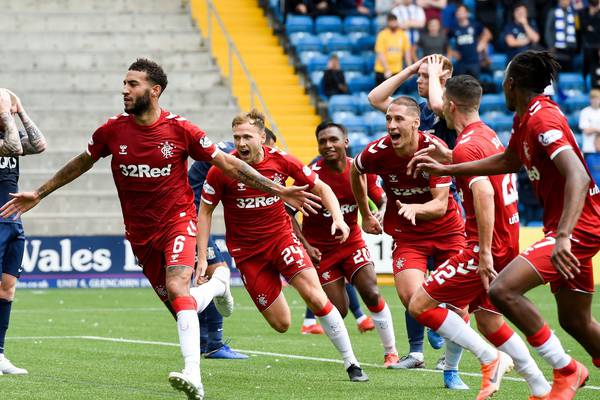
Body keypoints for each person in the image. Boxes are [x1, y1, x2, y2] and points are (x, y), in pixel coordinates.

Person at [0, 59, 317, 400]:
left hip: (178, 222)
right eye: (124, 83)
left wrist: (278, 189)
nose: (124, 89)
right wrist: (40, 193)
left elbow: (228, 163)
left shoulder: (182, 130)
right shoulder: (112, 130)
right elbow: (82, 161)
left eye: (132, 84)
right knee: (184, 305)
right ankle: (221, 283)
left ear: (154, 91)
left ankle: (193, 375)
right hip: (141, 235)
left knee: (177, 285)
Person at [412, 50, 600, 399]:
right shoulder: (524, 119)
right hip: (566, 227)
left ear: (511, 84)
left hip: (578, 227)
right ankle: (562, 371)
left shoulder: (542, 120)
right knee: (575, 321)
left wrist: (562, 237)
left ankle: (566, 370)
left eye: (503, 81)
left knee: (502, 291)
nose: (501, 87)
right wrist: (448, 169)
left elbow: (576, 174)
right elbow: (507, 161)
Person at [407, 75, 551, 399]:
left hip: (484, 245)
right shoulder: (486, 135)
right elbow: (482, 171)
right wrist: (448, 161)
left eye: (443, 102)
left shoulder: (467, 145)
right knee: (488, 321)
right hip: (507, 238)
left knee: (419, 304)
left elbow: (484, 192)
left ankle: (490, 358)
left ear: (451, 105)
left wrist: (483, 253)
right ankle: (540, 386)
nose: (440, 107)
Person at [197, 109, 369, 382]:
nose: (241, 143)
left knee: (315, 296)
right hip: (248, 254)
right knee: (281, 324)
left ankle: (352, 363)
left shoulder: (282, 161)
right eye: (236, 137)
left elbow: (322, 188)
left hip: (281, 240)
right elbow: (204, 212)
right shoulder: (222, 170)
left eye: (247, 137)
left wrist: (339, 218)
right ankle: (223, 288)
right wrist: (202, 257)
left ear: (262, 137)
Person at [350, 96, 468, 388]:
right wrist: (365, 214)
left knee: (460, 305)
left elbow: (440, 205)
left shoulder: (433, 150)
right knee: (413, 299)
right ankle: (428, 336)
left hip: (447, 232)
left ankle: (451, 370)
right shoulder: (378, 151)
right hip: (408, 235)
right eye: (389, 119)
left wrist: (417, 208)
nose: (391, 124)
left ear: (416, 122)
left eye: (399, 119)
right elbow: (355, 170)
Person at [367, 55, 459, 372]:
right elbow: (376, 98)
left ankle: (450, 351)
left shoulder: (448, 107)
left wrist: (436, 74)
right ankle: (417, 351)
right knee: (413, 287)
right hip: (410, 199)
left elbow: (436, 104)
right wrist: (408, 70)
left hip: (444, 196)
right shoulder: (406, 115)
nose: (420, 79)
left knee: (457, 290)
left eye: (425, 75)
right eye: (419, 75)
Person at [295, 121, 401, 368]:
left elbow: (384, 200)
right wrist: (306, 248)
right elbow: (288, 213)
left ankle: (391, 353)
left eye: (333, 139)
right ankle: (351, 359)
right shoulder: (311, 175)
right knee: (338, 311)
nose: (328, 145)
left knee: (372, 292)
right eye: (323, 141)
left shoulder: (360, 170)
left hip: (352, 243)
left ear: (346, 142)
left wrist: (379, 215)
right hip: (322, 252)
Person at [187, 129, 277, 360]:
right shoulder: (229, 155)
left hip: (186, 218)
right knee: (219, 273)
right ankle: (214, 344)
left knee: (202, 280)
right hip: (189, 222)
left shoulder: (224, 149)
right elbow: (248, 179)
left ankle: (203, 343)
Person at [0, 88, 47, 375]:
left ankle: (0, 353)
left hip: (13, 220)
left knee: (7, 287)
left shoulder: (8, 133)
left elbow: (39, 144)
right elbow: (15, 146)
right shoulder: (7, 140)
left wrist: (21, 109)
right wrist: (6, 111)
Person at [449, 4, 492, 79]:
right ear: (456, 14)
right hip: (461, 62)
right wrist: (452, 52)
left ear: (467, 13)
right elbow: (445, 42)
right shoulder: (453, 28)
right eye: (458, 12)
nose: (460, 13)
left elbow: (488, 34)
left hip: (474, 61)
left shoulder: (475, 25)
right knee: (461, 86)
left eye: (462, 11)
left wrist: (482, 43)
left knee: (475, 86)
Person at [374, 13, 412, 86]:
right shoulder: (382, 34)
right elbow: (380, 53)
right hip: (382, 70)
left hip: (397, 70)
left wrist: (409, 69)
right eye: (391, 21)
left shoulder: (402, 34)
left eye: (394, 21)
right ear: (388, 22)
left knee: (396, 96)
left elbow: (407, 53)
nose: (393, 23)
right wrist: (386, 69)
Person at [545, 0, 579, 71]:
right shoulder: (553, 12)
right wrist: (551, 46)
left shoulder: (574, 13)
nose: (565, 2)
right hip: (557, 50)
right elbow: (548, 30)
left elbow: (577, 30)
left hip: (571, 49)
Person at [580, 0, 600, 89]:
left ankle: (594, 86)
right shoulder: (583, 12)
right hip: (586, 46)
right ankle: (584, 83)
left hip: (598, 46)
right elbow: (582, 28)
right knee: (587, 57)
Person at [579, 89, 600, 160]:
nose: (595, 101)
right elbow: (586, 131)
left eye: (597, 98)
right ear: (590, 99)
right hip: (589, 149)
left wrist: (593, 128)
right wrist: (598, 129)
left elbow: (589, 129)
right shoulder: (584, 112)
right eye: (593, 98)